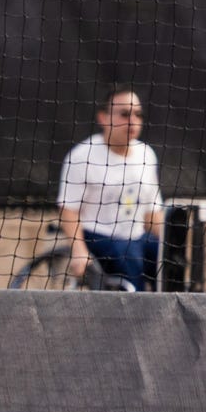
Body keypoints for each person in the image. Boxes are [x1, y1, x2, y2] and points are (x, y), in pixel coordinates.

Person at [59, 86, 164, 290]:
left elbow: (153, 212)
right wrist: (79, 250)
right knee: (129, 257)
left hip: (136, 236)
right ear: (103, 117)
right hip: (98, 236)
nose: (132, 120)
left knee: (167, 260)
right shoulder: (82, 156)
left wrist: (170, 245)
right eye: (124, 114)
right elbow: (68, 210)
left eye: (138, 114)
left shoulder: (146, 154)